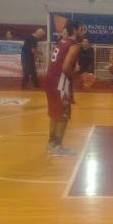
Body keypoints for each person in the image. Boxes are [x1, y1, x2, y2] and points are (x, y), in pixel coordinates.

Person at [45, 20, 85, 155]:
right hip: (60, 81)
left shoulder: (61, 42)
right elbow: (66, 67)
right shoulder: (74, 46)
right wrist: (78, 77)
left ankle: (51, 143)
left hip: (50, 79)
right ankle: (57, 146)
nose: (82, 32)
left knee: (54, 114)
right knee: (63, 114)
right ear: (74, 30)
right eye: (80, 29)